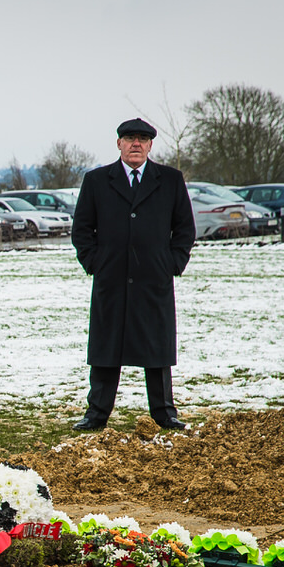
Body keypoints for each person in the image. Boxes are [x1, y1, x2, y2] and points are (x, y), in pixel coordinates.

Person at [70, 117, 195, 432]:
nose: (135, 144)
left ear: (151, 145)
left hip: (154, 280)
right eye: (129, 138)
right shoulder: (98, 180)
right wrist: (95, 262)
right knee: (105, 350)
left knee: (156, 350)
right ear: (119, 144)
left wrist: (171, 263)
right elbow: (82, 230)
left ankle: (164, 412)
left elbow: (184, 230)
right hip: (111, 280)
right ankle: (96, 413)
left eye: (142, 138)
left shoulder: (169, 180)